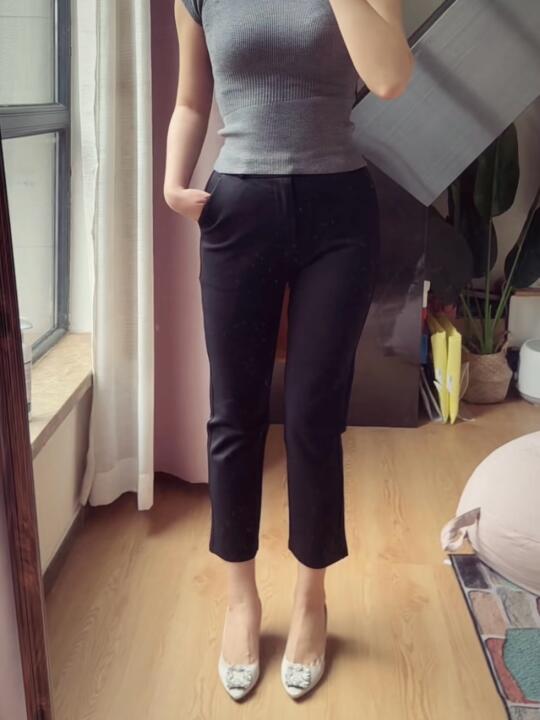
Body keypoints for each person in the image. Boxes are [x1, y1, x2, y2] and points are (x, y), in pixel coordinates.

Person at [163, 0, 414, 701]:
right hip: (236, 209)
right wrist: (173, 181)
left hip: (339, 214)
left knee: (312, 417)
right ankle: (241, 600)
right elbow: (191, 99)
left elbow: (389, 77)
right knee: (234, 414)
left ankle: (311, 599)